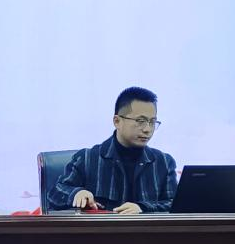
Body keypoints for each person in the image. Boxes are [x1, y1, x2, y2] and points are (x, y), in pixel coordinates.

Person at [48, 86, 177, 213]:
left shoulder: (164, 162)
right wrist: (76, 193)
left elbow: (174, 204)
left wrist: (143, 208)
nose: (147, 129)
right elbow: (55, 194)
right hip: (101, 227)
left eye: (152, 122)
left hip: (147, 228)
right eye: (140, 121)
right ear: (117, 121)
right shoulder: (87, 158)